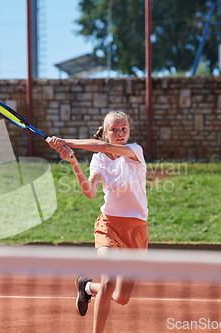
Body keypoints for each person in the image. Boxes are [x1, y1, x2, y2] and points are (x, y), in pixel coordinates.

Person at [47, 110, 148, 333]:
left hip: (136, 229)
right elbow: (90, 192)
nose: (120, 133)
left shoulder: (134, 151)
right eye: (114, 129)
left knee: (121, 298)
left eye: (124, 129)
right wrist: (73, 161)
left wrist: (65, 141)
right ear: (105, 132)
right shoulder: (98, 159)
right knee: (110, 280)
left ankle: (87, 286)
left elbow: (105, 147)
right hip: (108, 226)